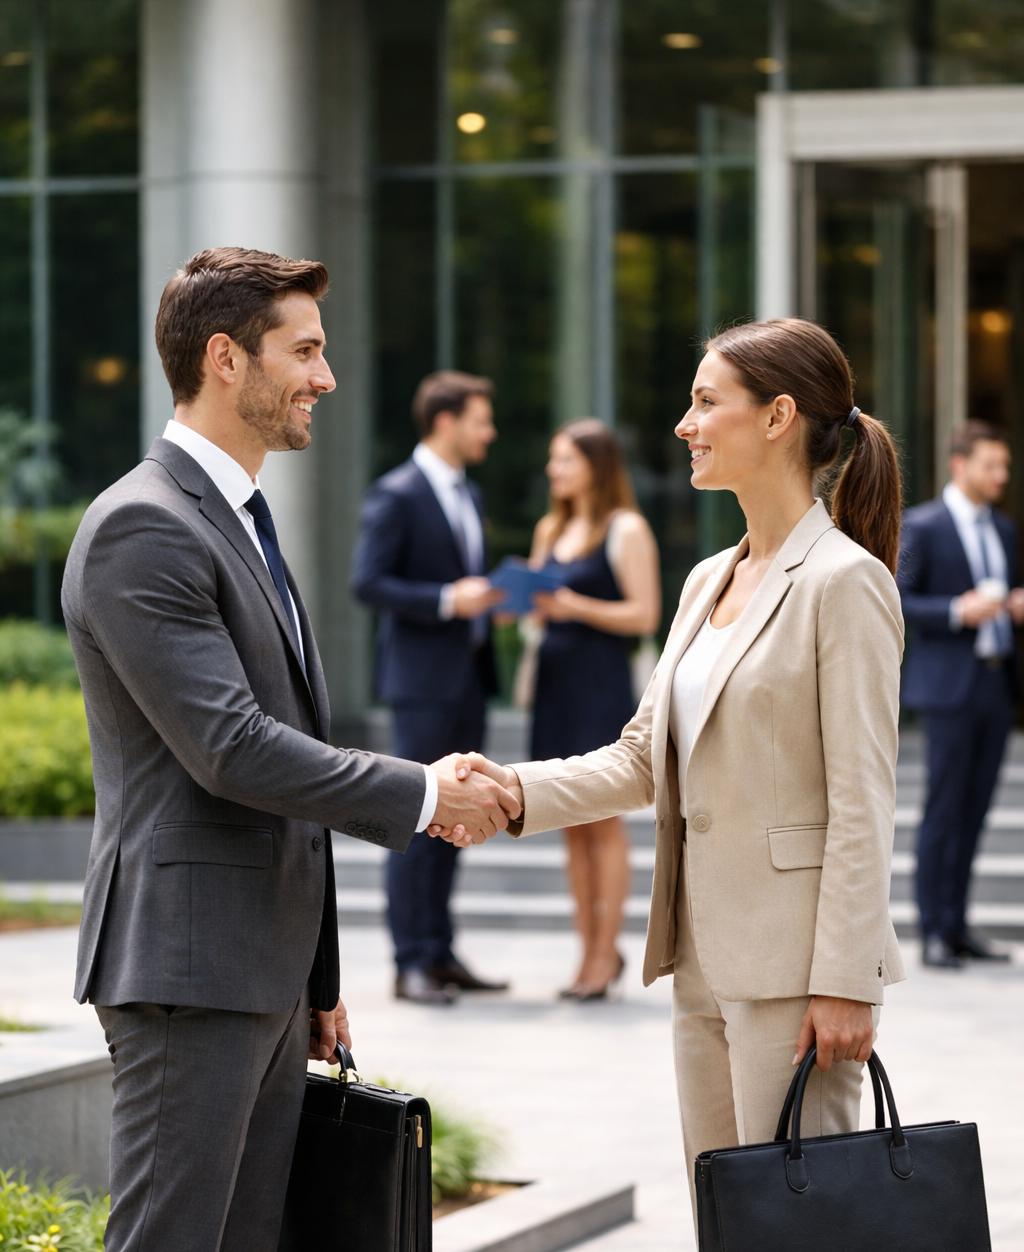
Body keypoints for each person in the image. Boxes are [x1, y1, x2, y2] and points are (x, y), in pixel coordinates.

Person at [61, 248, 518, 1252]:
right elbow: (230, 748)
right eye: (304, 350)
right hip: (188, 966)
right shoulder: (144, 525)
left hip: (253, 967)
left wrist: (312, 980)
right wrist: (420, 791)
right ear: (226, 359)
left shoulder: (236, 518)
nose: (326, 376)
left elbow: (278, 749)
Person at [443, 318, 907, 1228]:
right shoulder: (707, 580)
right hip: (700, 957)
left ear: (778, 417)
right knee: (725, 1220)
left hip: (795, 976)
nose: (683, 425)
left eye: (704, 403)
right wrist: (512, 791)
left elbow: (864, 797)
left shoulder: (842, 582)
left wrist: (848, 978)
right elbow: (637, 755)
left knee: (804, 1230)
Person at [352, 371, 510, 1004]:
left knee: (459, 820)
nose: (489, 432)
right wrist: (448, 599)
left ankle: (440, 952)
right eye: (480, 419)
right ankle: (409, 961)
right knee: (416, 818)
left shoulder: (467, 494)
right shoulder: (396, 493)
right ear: (446, 421)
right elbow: (369, 584)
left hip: (468, 679)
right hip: (420, 685)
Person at [526, 420, 660, 999]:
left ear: (596, 465)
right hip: (556, 683)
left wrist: (575, 606)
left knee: (603, 822)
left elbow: (646, 615)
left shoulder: (626, 528)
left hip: (600, 685)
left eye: (565, 460)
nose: (555, 470)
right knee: (568, 826)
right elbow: (536, 604)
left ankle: (605, 956)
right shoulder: (550, 526)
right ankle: (587, 954)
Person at [898, 421, 1023, 968]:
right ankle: (931, 929)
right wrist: (957, 610)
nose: (1001, 476)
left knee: (976, 812)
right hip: (947, 687)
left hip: (996, 684)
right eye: (991, 465)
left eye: (1004, 467)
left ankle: (958, 925)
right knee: (944, 810)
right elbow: (895, 600)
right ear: (960, 464)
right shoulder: (922, 525)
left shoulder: (1006, 529)